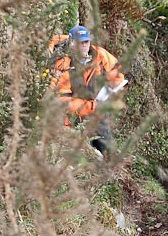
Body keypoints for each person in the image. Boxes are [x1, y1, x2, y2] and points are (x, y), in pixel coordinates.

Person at [50, 25, 126, 155]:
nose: (84, 46)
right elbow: (62, 100)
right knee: (87, 155)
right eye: (80, 42)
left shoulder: (100, 54)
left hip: (99, 115)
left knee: (107, 149)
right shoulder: (63, 64)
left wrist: (113, 89)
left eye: (86, 41)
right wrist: (92, 106)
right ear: (71, 44)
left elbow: (118, 73)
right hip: (74, 121)